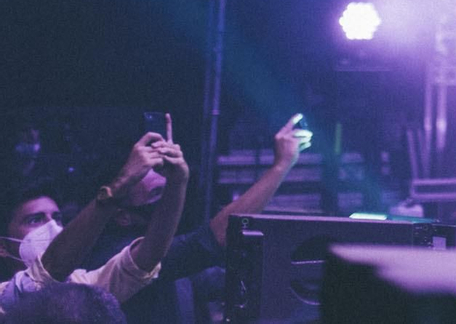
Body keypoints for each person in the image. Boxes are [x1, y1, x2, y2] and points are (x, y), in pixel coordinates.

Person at [78, 116, 311, 324]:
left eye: (168, 190)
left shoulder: (170, 255)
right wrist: (281, 165)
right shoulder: (120, 258)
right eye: (157, 195)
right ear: (124, 217)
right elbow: (213, 239)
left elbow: (215, 278)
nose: (171, 204)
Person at [0, 133, 187, 312]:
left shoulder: (78, 285)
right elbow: (49, 270)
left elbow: (145, 259)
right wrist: (121, 184)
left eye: (57, 218)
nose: (51, 227)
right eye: (35, 220)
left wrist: (177, 181)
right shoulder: (3, 297)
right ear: (2, 246)